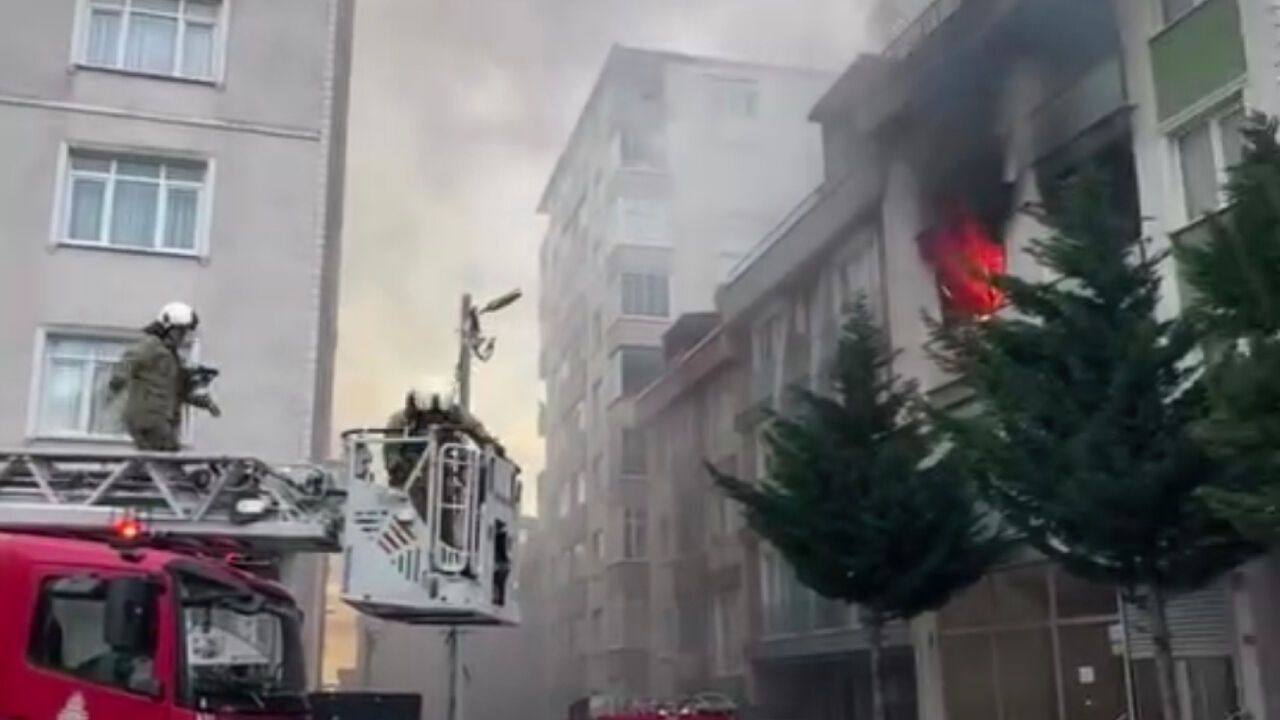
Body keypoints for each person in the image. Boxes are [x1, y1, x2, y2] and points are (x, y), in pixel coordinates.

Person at [107, 302, 221, 452]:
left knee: (161, 458)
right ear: (167, 328)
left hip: (161, 419)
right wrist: (117, 381)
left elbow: (179, 390)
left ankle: (143, 468)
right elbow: (130, 359)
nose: (182, 337)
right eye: (180, 332)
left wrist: (202, 395)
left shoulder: (172, 357)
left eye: (184, 332)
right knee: (168, 454)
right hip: (150, 417)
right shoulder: (152, 346)